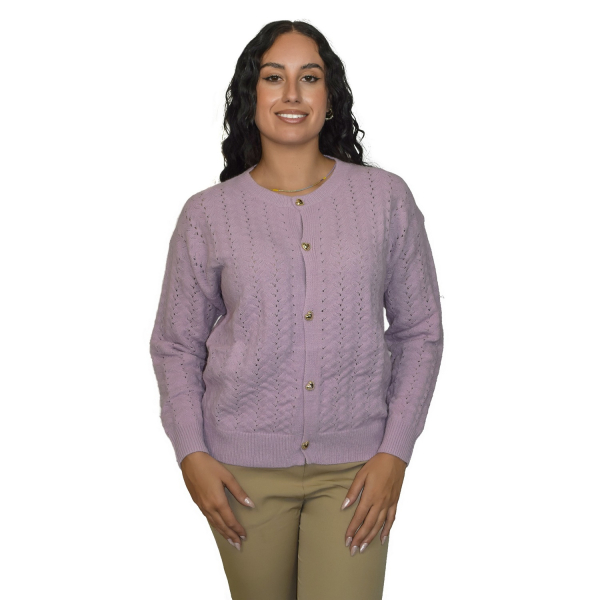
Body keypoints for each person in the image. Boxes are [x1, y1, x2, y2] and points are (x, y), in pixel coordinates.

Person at [149, 19, 444, 600]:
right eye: (273, 77)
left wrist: (395, 453)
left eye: (309, 77)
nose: (291, 93)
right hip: (240, 470)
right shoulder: (208, 214)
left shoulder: (385, 199)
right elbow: (175, 345)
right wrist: (191, 454)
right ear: (251, 95)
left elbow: (419, 332)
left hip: (356, 470)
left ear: (330, 97)